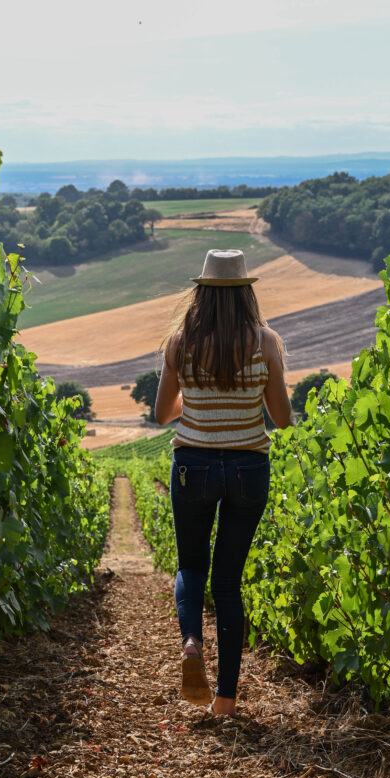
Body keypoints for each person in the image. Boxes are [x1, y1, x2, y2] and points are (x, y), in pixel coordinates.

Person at [154, 249, 292, 716]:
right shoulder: (266, 341)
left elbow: (162, 413)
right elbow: (282, 419)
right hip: (248, 467)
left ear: (202, 292)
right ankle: (226, 701)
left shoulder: (179, 342)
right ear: (247, 292)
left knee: (191, 566)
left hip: (193, 464)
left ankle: (191, 642)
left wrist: (194, 405)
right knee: (228, 582)